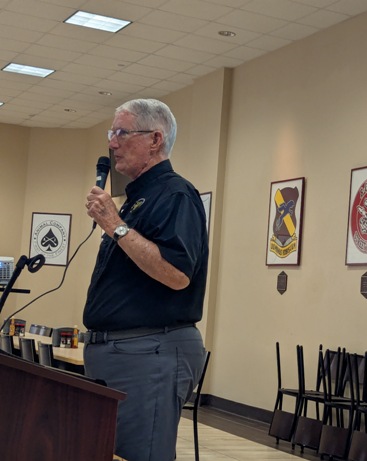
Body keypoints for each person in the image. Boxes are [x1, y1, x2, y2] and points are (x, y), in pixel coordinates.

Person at [83, 98, 209, 461]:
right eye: (111, 133)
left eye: (122, 133)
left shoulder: (175, 194)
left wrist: (115, 226)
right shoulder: (139, 198)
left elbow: (178, 274)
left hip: (149, 352)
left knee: (141, 454)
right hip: (123, 353)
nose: (113, 143)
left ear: (155, 139)